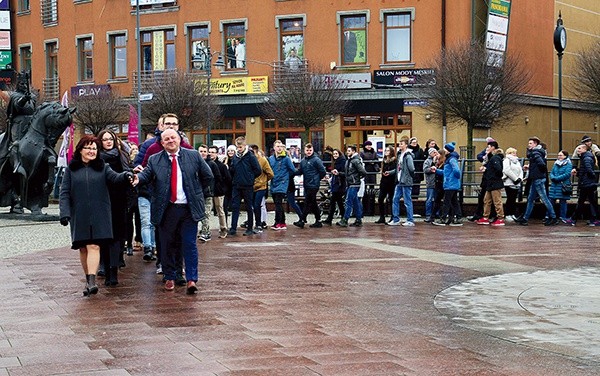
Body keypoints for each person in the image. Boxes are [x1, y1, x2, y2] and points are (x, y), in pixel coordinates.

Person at [133, 129, 214, 294]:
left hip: (188, 209)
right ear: (162, 143)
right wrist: (137, 179)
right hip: (166, 209)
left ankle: (191, 279)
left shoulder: (193, 156)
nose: (170, 141)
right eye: (166, 139)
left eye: (173, 137)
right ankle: (169, 276)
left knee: (189, 244)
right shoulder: (155, 160)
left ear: (179, 139)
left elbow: (208, 176)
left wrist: (197, 192)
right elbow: (145, 176)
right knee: (167, 244)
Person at [59, 135, 132, 297]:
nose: (92, 151)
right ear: (80, 150)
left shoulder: (103, 167)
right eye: (88, 148)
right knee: (84, 248)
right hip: (80, 214)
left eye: (94, 148)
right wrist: (64, 213)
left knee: (94, 246)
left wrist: (126, 176)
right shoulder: (71, 169)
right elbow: (64, 192)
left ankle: (92, 282)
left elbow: (116, 178)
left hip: (100, 214)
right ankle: (88, 278)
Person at [97, 129, 132, 286]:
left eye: (110, 138)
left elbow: (126, 173)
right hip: (102, 199)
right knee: (103, 235)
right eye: (105, 139)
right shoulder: (97, 158)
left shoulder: (121, 155)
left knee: (117, 235)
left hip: (119, 199)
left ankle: (114, 266)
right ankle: (104, 264)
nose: (108, 142)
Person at [515, 137, 559, 226]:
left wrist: (537, 172)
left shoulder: (535, 153)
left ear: (535, 144)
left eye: (530, 143)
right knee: (531, 199)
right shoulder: (537, 152)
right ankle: (525, 218)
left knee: (544, 199)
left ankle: (553, 217)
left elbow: (541, 164)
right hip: (537, 178)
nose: (529, 145)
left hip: (537, 178)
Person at [229, 136, 262, 236]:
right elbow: (232, 169)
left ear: (244, 146)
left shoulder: (250, 156)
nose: (239, 149)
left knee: (249, 207)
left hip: (247, 185)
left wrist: (250, 178)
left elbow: (258, 170)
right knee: (235, 207)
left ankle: (250, 228)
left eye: (240, 147)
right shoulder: (235, 157)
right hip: (236, 185)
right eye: (237, 147)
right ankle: (233, 228)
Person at [294, 143, 326, 228]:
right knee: (313, 202)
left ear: (313, 150)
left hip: (314, 184)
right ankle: (318, 220)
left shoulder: (316, 160)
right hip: (307, 184)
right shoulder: (303, 161)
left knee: (308, 202)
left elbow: (322, 171)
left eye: (310, 150)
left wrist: (317, 179)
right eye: (307, 150)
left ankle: (302, 220)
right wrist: (292, 172)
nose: (309, 152)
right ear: (304, 151)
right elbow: (300, 171)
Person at [566, 144, 599, 226]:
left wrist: (591, 177)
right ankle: (593, 219)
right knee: (591, 201)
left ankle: (574, 219)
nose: (578, 150)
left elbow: (588, 169)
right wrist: (578, 172)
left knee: (582, 202)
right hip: (588, 183)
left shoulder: (586, 158)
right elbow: (585, 170)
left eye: (579, 148)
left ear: (584, 149)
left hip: (586, 184)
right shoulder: (585, 157)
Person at [475, 141, 506, 226]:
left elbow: (498, 170)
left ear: (493, 148)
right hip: (490, 182)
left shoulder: (495, 158)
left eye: (488, 147)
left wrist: (489, 172)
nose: (487, 149)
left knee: (497, 201)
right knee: (487, 200)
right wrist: (486, 169)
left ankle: (500, 218)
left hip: (494, 182)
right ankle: (485, 217)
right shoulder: (492, 158)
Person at [432, 142, 463, 226]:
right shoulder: (450, 159)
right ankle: (459, 218)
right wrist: (437, 171)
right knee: (454, 201)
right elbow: (447, 172)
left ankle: (443, 219)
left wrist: (452, 178)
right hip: (451, 184)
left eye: (445, 149)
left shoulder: (451, 159)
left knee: (447, 201)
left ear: (448, 150)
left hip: (450, 184)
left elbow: (456, 171)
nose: (444, 150)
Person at [268, 140, 296, 230]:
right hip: (274, 183)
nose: (279, 148)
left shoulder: (286, 159)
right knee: (276, 203)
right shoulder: (271, 159)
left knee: (279, 203)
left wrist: (286, 178)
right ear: (274, 148)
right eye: (277, 146)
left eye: (281, 146)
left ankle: (279, 222)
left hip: (282, 183)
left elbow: (293, 170)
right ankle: (280, 222)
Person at [388, 139, 415, 226]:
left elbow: (411, 168)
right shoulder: (400, 154)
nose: (400, 145)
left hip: (406, 181)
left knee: (407, 201)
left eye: (401, 144)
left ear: (406, 145)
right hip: (400, 181)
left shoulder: (408, 155)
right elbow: (398, 168)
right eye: (399, 144)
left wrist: (409, 177)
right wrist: (391, 172)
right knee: (395, 199)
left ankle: (410, 220)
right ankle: (396, 219)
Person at [336, 146, 366, 227]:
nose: (347, 152)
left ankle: (345, 219)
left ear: (353, 151)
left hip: (354, 184)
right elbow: (348, 173)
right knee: (355, 202)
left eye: (349, 151)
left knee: (348, 201)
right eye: (347, 151)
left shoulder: (355, 160)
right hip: (351, 183)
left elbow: (363, 171)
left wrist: (357, 178)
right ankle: (358, 219)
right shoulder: (350, 160)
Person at [197, 144, 220, 242]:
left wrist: (212, 188)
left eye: (204, 151)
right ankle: (203, 231)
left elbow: (218, 177)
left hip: (208, 193)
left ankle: (206, 232)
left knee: (206, 214)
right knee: (199, 214)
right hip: (198, 193)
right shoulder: (195, 163)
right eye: (201, 151)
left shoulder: (212, 164)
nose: (202, 153)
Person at [209, 145, 231, 238]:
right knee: (207, 211)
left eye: (213, 152)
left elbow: (228, 179)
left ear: (217, 153)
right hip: (208, 192)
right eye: (209, 152)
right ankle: (205, 230)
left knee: (220, 210)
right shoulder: (205, 164)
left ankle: (223, 228)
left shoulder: (221, 166)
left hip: (218, 192)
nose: (211, 154)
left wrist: (223, 189)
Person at [252, 146, 274, 232]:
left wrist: (263, 181)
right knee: (253, 206)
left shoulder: (263, 160)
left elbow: (270, 174)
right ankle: (255, 223)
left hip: (261, 186)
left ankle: (259, 224)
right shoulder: (249, 160)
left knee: (257, 205)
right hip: (252, 186)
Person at [323, 149, 346, 225]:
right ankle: (343, 218)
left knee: (333, 202)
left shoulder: (342, 161)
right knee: (338, 202)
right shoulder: (335, 162)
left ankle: (330, 219)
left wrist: (338, 173)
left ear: (339, 154)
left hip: (340, 185)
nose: (335, 155)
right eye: (334, 154)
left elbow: (345, 173)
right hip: (336, 184)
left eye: (336, 154)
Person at [548, 150, 572, 223]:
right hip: (555, 184)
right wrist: (552, 177)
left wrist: (556, 178)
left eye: (561, 155)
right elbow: (551, 172)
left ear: (565, 156)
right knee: (551, 200)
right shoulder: (556, 163)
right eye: (558, 155)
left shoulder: (568, 164)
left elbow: (567, 174)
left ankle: (563, 216)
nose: (559, 157)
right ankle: (550, 215)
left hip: (562, 184)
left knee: (563, 201)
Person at [375, 146, 397, 224]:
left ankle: (392, 216)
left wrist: (389, 173)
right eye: (385, 150)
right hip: (384, 181)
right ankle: (382, 217)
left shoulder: (394, 160)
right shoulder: (383, 161)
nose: (386, 152)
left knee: (391, 199)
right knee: (380, 198)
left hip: (391, 182)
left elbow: (395, 171)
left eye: (388, 150)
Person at [502, 147, 524, 221]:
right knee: (510, 198)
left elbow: (520, 170)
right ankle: (508, 214)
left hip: (516, 183)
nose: (515, 154)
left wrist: (520, 178)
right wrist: (515, 178)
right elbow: (506, 170)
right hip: (509, 183)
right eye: (513, 152)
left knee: (513, 199)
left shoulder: (517, 161)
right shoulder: (506, 160)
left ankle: (512, 213)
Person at [423, 147, 440, 223]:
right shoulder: (427, 161)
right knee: (429, 199)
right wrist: (431, 169)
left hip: (437, 182)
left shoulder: (439, 160)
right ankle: (428, 214)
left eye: (436, 152)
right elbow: (425, 170)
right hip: (430, 182)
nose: (435, 154)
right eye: (434, 152)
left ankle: (437, 213)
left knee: (437, 199)